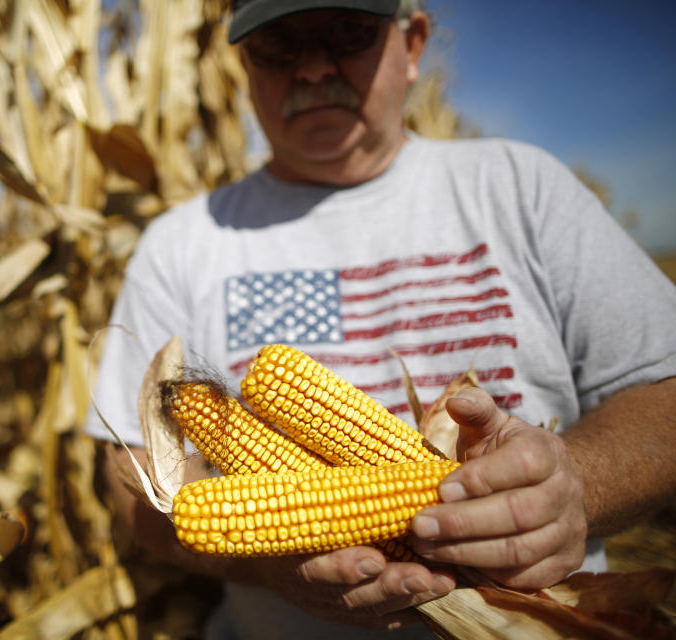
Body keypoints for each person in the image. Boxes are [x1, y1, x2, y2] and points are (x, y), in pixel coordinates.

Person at [86, 0, 676, 637]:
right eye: (278, 45)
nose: (312, 69)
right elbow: (130, 479)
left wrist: (577, 487)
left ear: (413, 43)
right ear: (243, 66)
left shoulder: (521, 188)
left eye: (345, 31)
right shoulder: (182, 242)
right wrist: (259, 560)